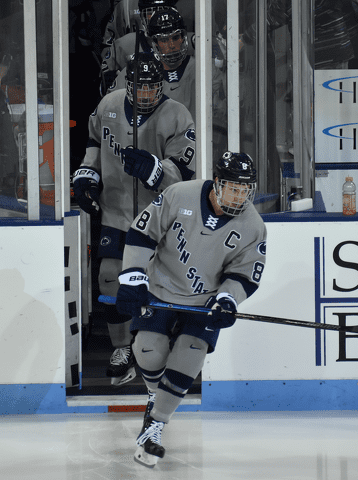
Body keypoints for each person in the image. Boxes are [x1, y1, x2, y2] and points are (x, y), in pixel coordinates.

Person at [115, 151, 267, 466]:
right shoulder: (179, 194)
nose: (240, 196)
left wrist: (228, 298)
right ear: (217, 182)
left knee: (190, 354)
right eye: (234, 188)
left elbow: (245, 272)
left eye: (245, 190)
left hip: (204, 302)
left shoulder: (252, 225)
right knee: (148, 350)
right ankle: (157, 395)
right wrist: (132, 279)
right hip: (161, 288)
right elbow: (143, 233)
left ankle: (155, 425)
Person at [72, 52, 195, 386]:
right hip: (116, 209)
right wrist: (87, 176)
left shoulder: (177, 115)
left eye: (152, 87)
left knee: (162, 283)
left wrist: (155, 171)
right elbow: (94, 143)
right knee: (110, 277)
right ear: (128, 84)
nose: (146, 94)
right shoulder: (108, 105)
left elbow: (185, 173)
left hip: (160, 217)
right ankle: (121, 348)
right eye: (140, 87)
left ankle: (163, 345)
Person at [107, 7, 196, 122]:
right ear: (154, 43)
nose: (172, 45)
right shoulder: (136, 69)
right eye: (164, 40)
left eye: (175, 37)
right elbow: (110, 110)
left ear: (183, 37)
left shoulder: (201, 68)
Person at [100, 0, 178, 95]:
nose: (157, 17)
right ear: (142, 16)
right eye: (150, 12)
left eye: (163, 11)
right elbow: (105, 85)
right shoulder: (124, 45)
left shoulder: (185, 44)